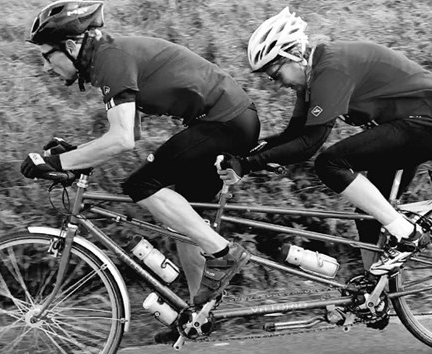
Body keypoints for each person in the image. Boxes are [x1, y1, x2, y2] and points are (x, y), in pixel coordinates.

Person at [20, 1, 260, 309]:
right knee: (185, 222)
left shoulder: (110, 59)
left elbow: (121, 139)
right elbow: (126, 133)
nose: (45, 67)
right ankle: (200, 312)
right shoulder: (105, 58)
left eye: (46, 57)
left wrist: (57, 163)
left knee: (140, 185)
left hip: (226, 121)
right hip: (227, 122)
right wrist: (78, 155)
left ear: (69, 45)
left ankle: (225, 254)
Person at [220, 7, 432, 276]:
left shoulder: (332, 68)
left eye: (275, 74)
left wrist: (248, 165)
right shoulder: (311, 78)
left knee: (331, 163)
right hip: (411, 127)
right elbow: (293, 135)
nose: (276, 83)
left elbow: (309, 145)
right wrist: (244, 154)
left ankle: (408, 234)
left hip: (430, 124)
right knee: (368, 212)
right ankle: (373, 295)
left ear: (295, 56)